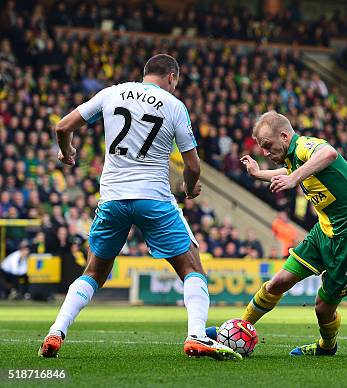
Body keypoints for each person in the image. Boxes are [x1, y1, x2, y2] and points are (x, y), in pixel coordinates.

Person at [38, 54, 240, 360]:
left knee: (93, 272)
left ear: (145, 74)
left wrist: (67, 154)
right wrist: (188, 188)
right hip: (154, 199)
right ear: (172, 78)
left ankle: (56, 331)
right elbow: (193, 166)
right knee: (192, 268)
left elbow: (63, 127)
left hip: (113, 199)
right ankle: (197, 336)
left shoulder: (112, 93)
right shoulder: (174, 106)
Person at [207, 111, 347, 356]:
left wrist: (294, 179)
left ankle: (327, 347)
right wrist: (257, 174)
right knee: (278, 282)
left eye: (268, 145)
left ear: (285, 136)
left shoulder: (305, 146)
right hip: (325, 230)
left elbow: (328, 154)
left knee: (322, 308)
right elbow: (287, 173)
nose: (264, 152)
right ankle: (237, 328)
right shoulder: (293, 159)